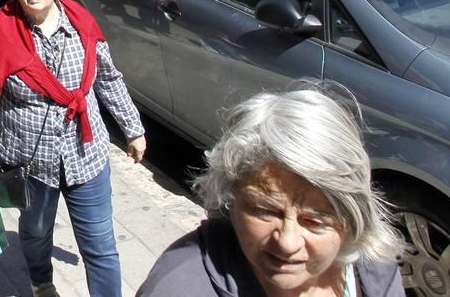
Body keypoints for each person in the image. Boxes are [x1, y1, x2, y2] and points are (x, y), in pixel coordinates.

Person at [0, 0, 146, 297]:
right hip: (27, 163)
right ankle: (41, 283)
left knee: (100, 246)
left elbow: (108, 79)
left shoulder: (82, 24)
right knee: (34, 234)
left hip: (86, 155)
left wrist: (133, 129)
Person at [138, 88, 403, 297]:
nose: (287, 243)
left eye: (315, 221)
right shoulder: (176, 286)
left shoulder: (371, 261)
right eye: (264, 211)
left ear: (352, 220)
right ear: (231, 200)